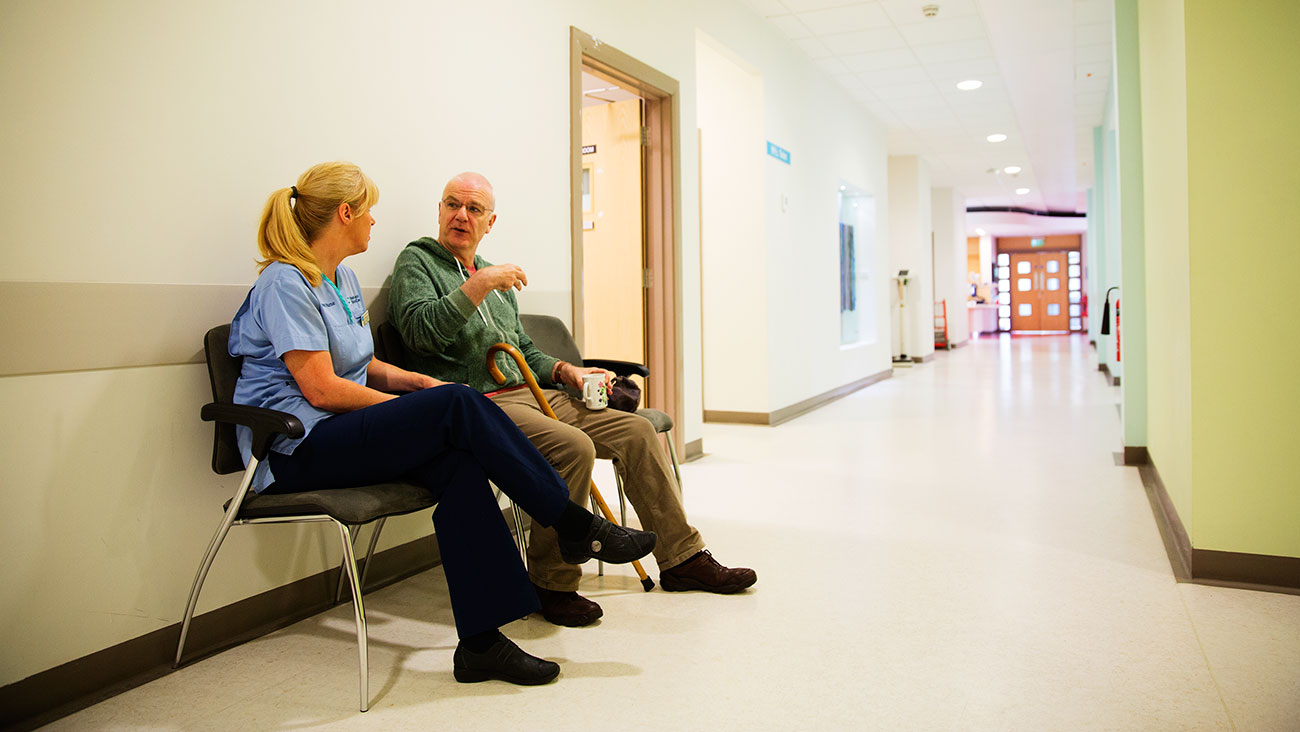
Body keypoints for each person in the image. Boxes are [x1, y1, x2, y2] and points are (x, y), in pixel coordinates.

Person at [228, 162, 656, 686]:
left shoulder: (338, 277)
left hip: (335, 434)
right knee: (458, 404)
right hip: (295, 447)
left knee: (459, 463)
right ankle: (573, 526)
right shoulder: (284, 282)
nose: (373, 223)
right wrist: (421, 405)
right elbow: (320, 388)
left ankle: (480, 643)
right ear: (345, 214)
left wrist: (415, 386)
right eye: (368, 212)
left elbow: (361, 365)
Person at [388, 171, 756, 628]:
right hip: (477, 404)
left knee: (638, 429)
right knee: (572, 447)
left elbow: (523, 349)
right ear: (439, 211)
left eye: (474, 209)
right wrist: (480, 284)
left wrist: (568, 371)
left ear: (490, 222)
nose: (460, 215)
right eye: (452, 205)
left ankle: (682, 559)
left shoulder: (489, 273)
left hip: (532, 392)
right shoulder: (417, 263)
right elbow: (421, 335)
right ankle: (552, 584)